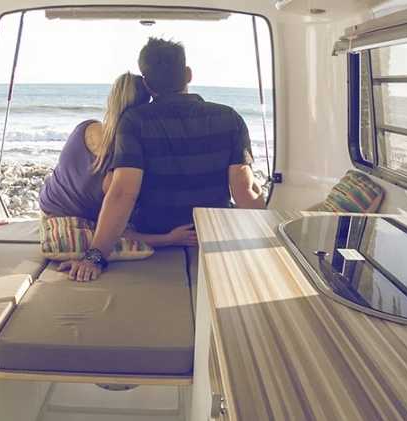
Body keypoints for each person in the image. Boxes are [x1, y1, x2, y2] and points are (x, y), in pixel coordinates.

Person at [62, 37, 265, 281]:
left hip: (154, 232)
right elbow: (244, 190)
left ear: (147, 84)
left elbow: (123, 192)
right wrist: (265, 245)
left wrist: (94, 257)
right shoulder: (229, 118)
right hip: (210, 231)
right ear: (188, 74)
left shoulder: (134, 121)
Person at [38, 72, 197, 248]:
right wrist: (170, 239)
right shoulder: (123, 161)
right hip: (69, 222)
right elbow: (116, 229)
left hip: (46, 205)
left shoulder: (85, 127)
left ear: (112, 99)